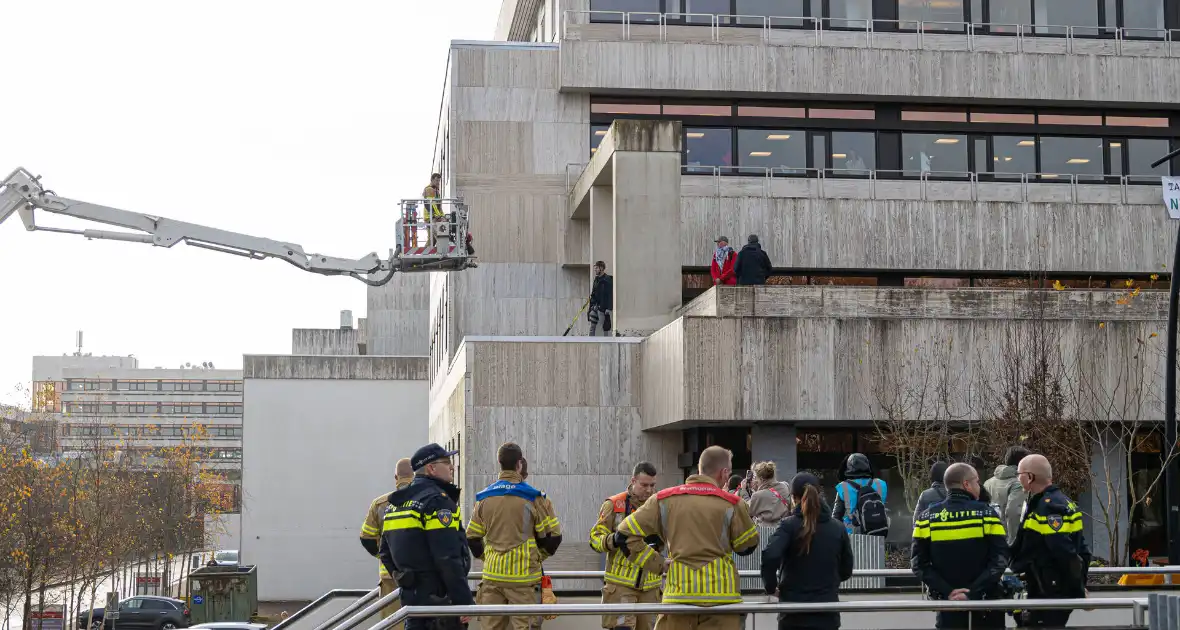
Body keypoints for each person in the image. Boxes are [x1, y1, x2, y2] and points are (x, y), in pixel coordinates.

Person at [617, 446, 760, 630]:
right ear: (724, 473)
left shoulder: (663, 499)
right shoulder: (732, 503)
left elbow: (623, 535)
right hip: (722, 601)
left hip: (678, 599)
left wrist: (658, 563)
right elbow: (746, 547)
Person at [467, 443, 563, 630]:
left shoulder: (484, 498)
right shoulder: (534, 498)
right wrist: (536, 557)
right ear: (519, 464)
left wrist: (488, 557)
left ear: (499, 463)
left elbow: (472, 538)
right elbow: (552, 539)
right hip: (523, 579)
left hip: (492, 577)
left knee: (491, 627)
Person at [379, 444, 473, 630]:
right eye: (447, 462)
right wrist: (464, 601)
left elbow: (385, 553)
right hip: (441, 606)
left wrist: (406, 580)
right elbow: (447, 557)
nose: (452, 467)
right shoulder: (438, 502)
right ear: (431, 468)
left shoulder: (397, 503)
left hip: (413, 604)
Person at [911, 463, 1008, 629]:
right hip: (985, 606)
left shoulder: (925, 518)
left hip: (948, 606)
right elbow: (1000, 559)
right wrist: (973, 592)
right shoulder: (987, 514)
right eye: (977, 482)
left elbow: (918, 564)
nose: (980, 486)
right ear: (966, 484)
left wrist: (948, 591)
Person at [760, 472, 854, 630]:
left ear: (794, 498)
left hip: (793, 614)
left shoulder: (788, 526)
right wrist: (829, 583)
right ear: (819, 495)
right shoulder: (837, 527)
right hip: (827, 613)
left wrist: (771, 587)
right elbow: (846, 568)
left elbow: (770, 556)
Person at [1009, 454, 1090, 628]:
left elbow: (1064, 552)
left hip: (1047, 590)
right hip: (1046, 588)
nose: (1017, 477)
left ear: (1030, 477)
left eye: (1019, 474)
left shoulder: (1048, 507)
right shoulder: (1063, 503)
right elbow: (1083, 549)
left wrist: (1078, 589)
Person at [589, 462, 662, 630]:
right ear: (633, 481)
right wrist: (613, 540)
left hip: (651, 587)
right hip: (621, 588)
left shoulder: (660, 505)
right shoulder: (614, 505)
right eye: (644, 485)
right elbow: (594, 539)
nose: (649, 490)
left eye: (652, 485)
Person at [361, 458, 415, 621]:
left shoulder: (380, 504)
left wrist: (385, 556)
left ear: (396, 477)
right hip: (421, 576)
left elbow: (367, 539)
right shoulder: (426, 499)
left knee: (393, 623)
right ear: (414, 476)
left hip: (390, 578)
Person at [832, 453, 889, 537]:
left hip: (853, 536)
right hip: (877, 533)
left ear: (849, 467)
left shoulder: (843, 487)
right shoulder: (880, 484)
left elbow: (836, 518)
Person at [984, 446, 1030, 545]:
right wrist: (1014, 542)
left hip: (990, 536)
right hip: (1008, 539)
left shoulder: (988, 482)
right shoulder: (1017, 484)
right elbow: (1014, 512)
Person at [747, 461, 792, 526]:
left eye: (756, 478)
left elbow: (746, 510)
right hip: (784, 528)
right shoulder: (785, 486)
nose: (755, 481)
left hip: (765, 532)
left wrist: (743, 490)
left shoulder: (757, 496)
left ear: (762, 479)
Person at [589, 261, 614, 337]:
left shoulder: (608, 280)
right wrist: (592, 305)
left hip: (603, 309)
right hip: (595, 307)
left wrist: (609, 308)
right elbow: (593, 293)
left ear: (601, 268)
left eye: (596, 268)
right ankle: (590, 342)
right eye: (595, 268)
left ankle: (607, 343)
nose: (595, 270)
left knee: (605, 328)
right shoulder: (596, 280)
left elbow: (610, 295)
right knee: (592, 327)